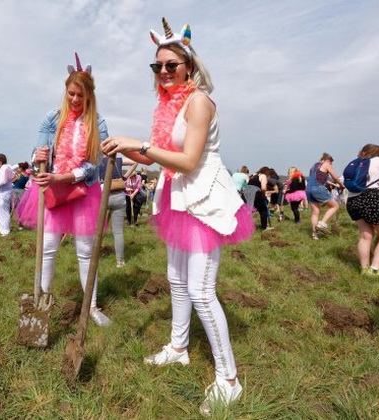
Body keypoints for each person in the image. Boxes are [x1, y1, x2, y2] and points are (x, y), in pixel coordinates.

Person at [102, 19, 254, 414]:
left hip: (203, 198)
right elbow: (160, 156)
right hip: (177, 198)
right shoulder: (169, 107)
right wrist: (123, 146)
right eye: (158, 66)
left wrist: (142, 144)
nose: (165, 72)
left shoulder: (199, 101)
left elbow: (187, 160)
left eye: (172, 65)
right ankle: (179, 347)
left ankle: (229, 380)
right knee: (175, 280)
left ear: (189, 66)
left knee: (202, 290)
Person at [17, 53, 111, 327]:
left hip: (83, 192)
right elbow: (39, 153)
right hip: (52, 191)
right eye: (71, 94)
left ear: (90, 96)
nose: (75, 100)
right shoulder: (52, 118)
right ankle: (41, 303)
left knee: (84, 250)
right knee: (47, 248)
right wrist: (38, 155)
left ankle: (91, 307)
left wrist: (67, 177)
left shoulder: (98, 123)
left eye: (81, 96)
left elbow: (94, 166)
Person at [345, 144, 379, 278]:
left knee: (366, 235)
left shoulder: (357, 163)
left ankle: (364, 268)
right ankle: (374, 270)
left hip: (352, 200)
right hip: (372, 198)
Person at [307, 153, 344, 240]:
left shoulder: (313, 167)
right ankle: (321, 224)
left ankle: (314, 233)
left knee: (315, 211)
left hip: (308, 189)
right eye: (331, 162)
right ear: (328, 160)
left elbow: (324, 180)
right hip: (318, 188)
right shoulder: (326, 164)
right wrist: (341, 185)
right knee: (335, 206)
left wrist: (335, 185)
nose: (331, 164)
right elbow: (335, 177)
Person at [100, 156, 127, 267]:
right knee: (118, 232)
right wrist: (124, 177)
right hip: (119, 195)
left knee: (97, 228)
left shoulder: (97, 159)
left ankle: (93, 255)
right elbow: (135, 162)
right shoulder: (118, 160)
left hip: (102, 195)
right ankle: (120, 261)